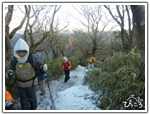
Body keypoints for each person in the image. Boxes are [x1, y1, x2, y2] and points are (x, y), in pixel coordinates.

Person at [6, 38, 48, 110]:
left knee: (32, 99)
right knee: (23, 101)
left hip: (31, 84)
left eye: (22, 52)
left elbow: (39, 63)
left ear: (26, 51)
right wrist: (10, 72)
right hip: (20, 85)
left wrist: (43, 66)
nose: (20, 54)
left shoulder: (31, 57)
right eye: (18, 52)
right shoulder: (14, 59)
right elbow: (11, 67)